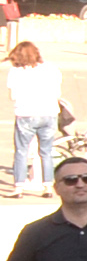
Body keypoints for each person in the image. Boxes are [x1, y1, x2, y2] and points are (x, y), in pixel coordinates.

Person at [5, 39, 60, 197]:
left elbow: (13, 96)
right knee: (46, 152)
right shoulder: (51, 68)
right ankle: (48, 187)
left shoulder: (16, 72)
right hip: (49, 113)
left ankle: (19, 187)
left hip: (26, 114)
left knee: (21, 151)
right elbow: (58, 93)